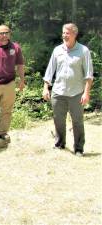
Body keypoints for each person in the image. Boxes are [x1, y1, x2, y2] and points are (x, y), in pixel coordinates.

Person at [42, 23, 93, 156]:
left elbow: (88, 75)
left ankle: (79, 148)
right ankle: (60, 143)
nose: (64, 35)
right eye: (63, 33)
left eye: (67, 33)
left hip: (76, 93)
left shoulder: (83, 51)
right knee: (58, 119)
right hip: (58, 92)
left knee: (77, 122)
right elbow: (49, 71)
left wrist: (86, 93)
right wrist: (45, 88)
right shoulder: (57, 50)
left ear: (74, 34)